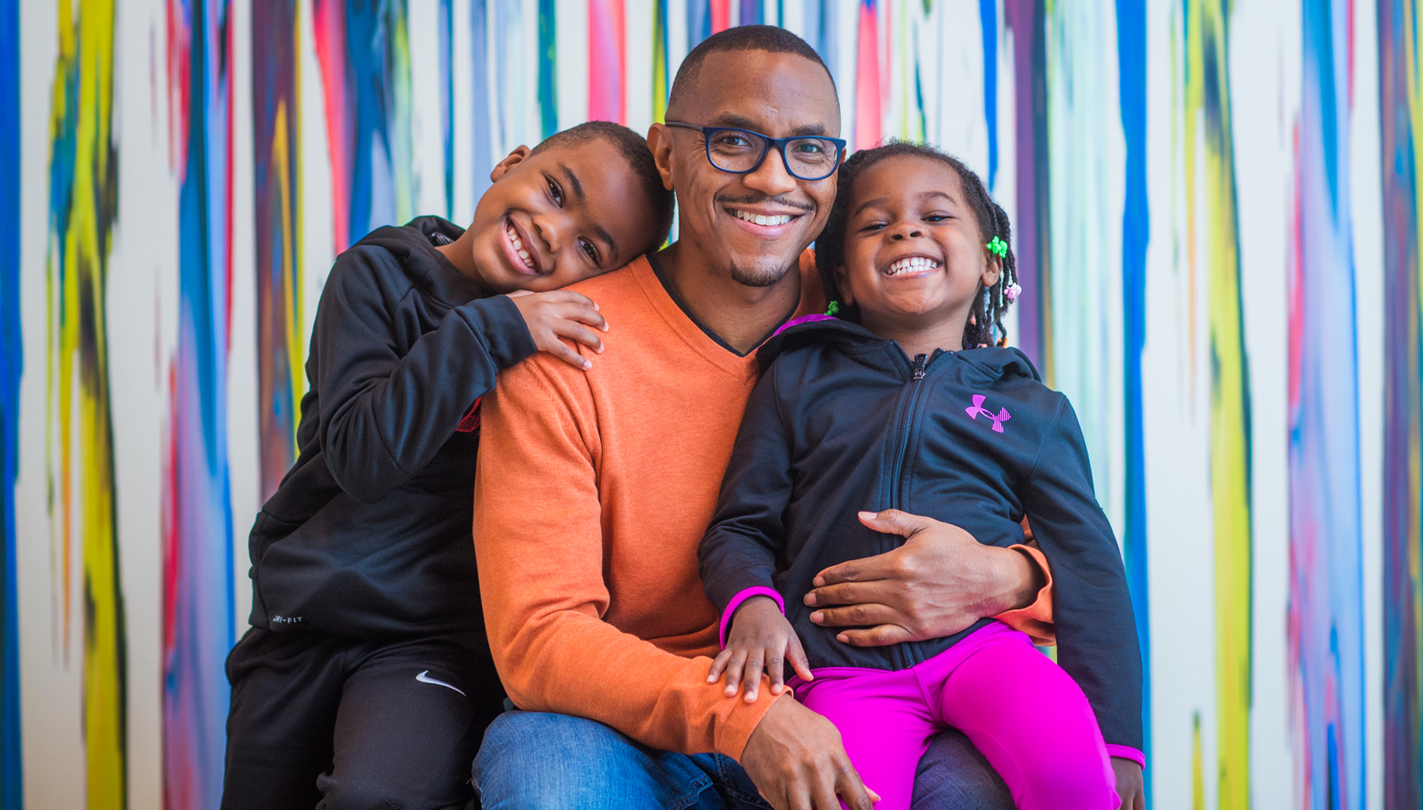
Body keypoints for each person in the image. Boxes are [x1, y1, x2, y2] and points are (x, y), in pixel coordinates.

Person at [472, 27, 1058, 810]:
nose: (773, 177)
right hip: (629, 730)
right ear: (666, 156)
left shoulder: (884, 296)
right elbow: (539, 641)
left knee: (990, 782)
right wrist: (746, 716)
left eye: (810, 150)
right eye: (733, 140)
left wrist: (1000, 575)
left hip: (872, 703)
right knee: (542, 777)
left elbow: (1063, 537)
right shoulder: (563, 342)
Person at [220, 121, 673, 810]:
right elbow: (364, 455)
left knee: (377, 797)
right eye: (555, 191)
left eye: (590, 247)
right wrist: (495, 329)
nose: (554, 232)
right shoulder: (375, 275)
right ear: (509, 163)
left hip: (434, 643)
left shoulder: (561, 351)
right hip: (301, 624)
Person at [698, 143, 1146, 810]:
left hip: (986, 656)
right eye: (875, 224)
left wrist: (1120, 747)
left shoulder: (1034, 411)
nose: (907, 230)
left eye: (936, 216)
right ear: (843, 277)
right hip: (842, 673)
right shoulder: (795, 377)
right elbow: (740, 524)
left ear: (992, 263)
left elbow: (1090, 571)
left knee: (1073, 782)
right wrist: (752, 607)